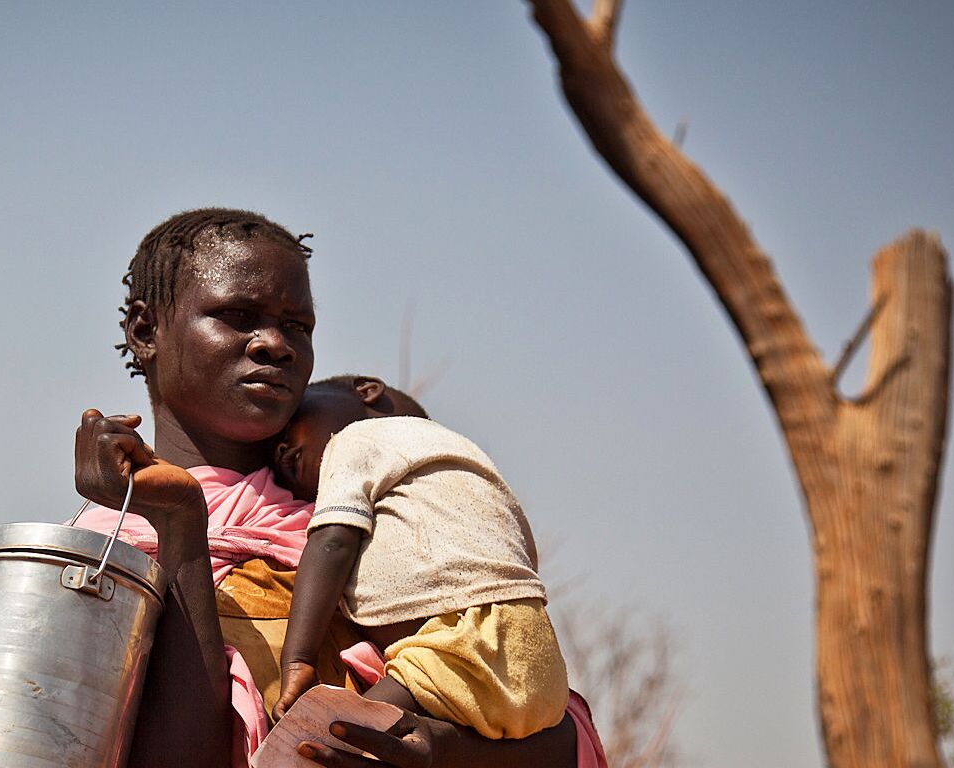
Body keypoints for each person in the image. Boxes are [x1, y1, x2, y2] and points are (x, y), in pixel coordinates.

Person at [70, 207, 605, 768]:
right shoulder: (98, 555)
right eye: (237, 315)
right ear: (144, 330)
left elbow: (549, 714)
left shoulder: (374, 525)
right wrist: (180, 521)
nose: (275, 344)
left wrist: (444, 749)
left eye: (297, 326)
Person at [270, 375, 569, 742]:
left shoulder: (359, 437)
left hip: (461, 643)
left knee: (326, 740)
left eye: (291, 423)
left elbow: (333, 542)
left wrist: (299, 659)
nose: (282, 451)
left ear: (366, 391)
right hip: (536, 661)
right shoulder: (468, 462)